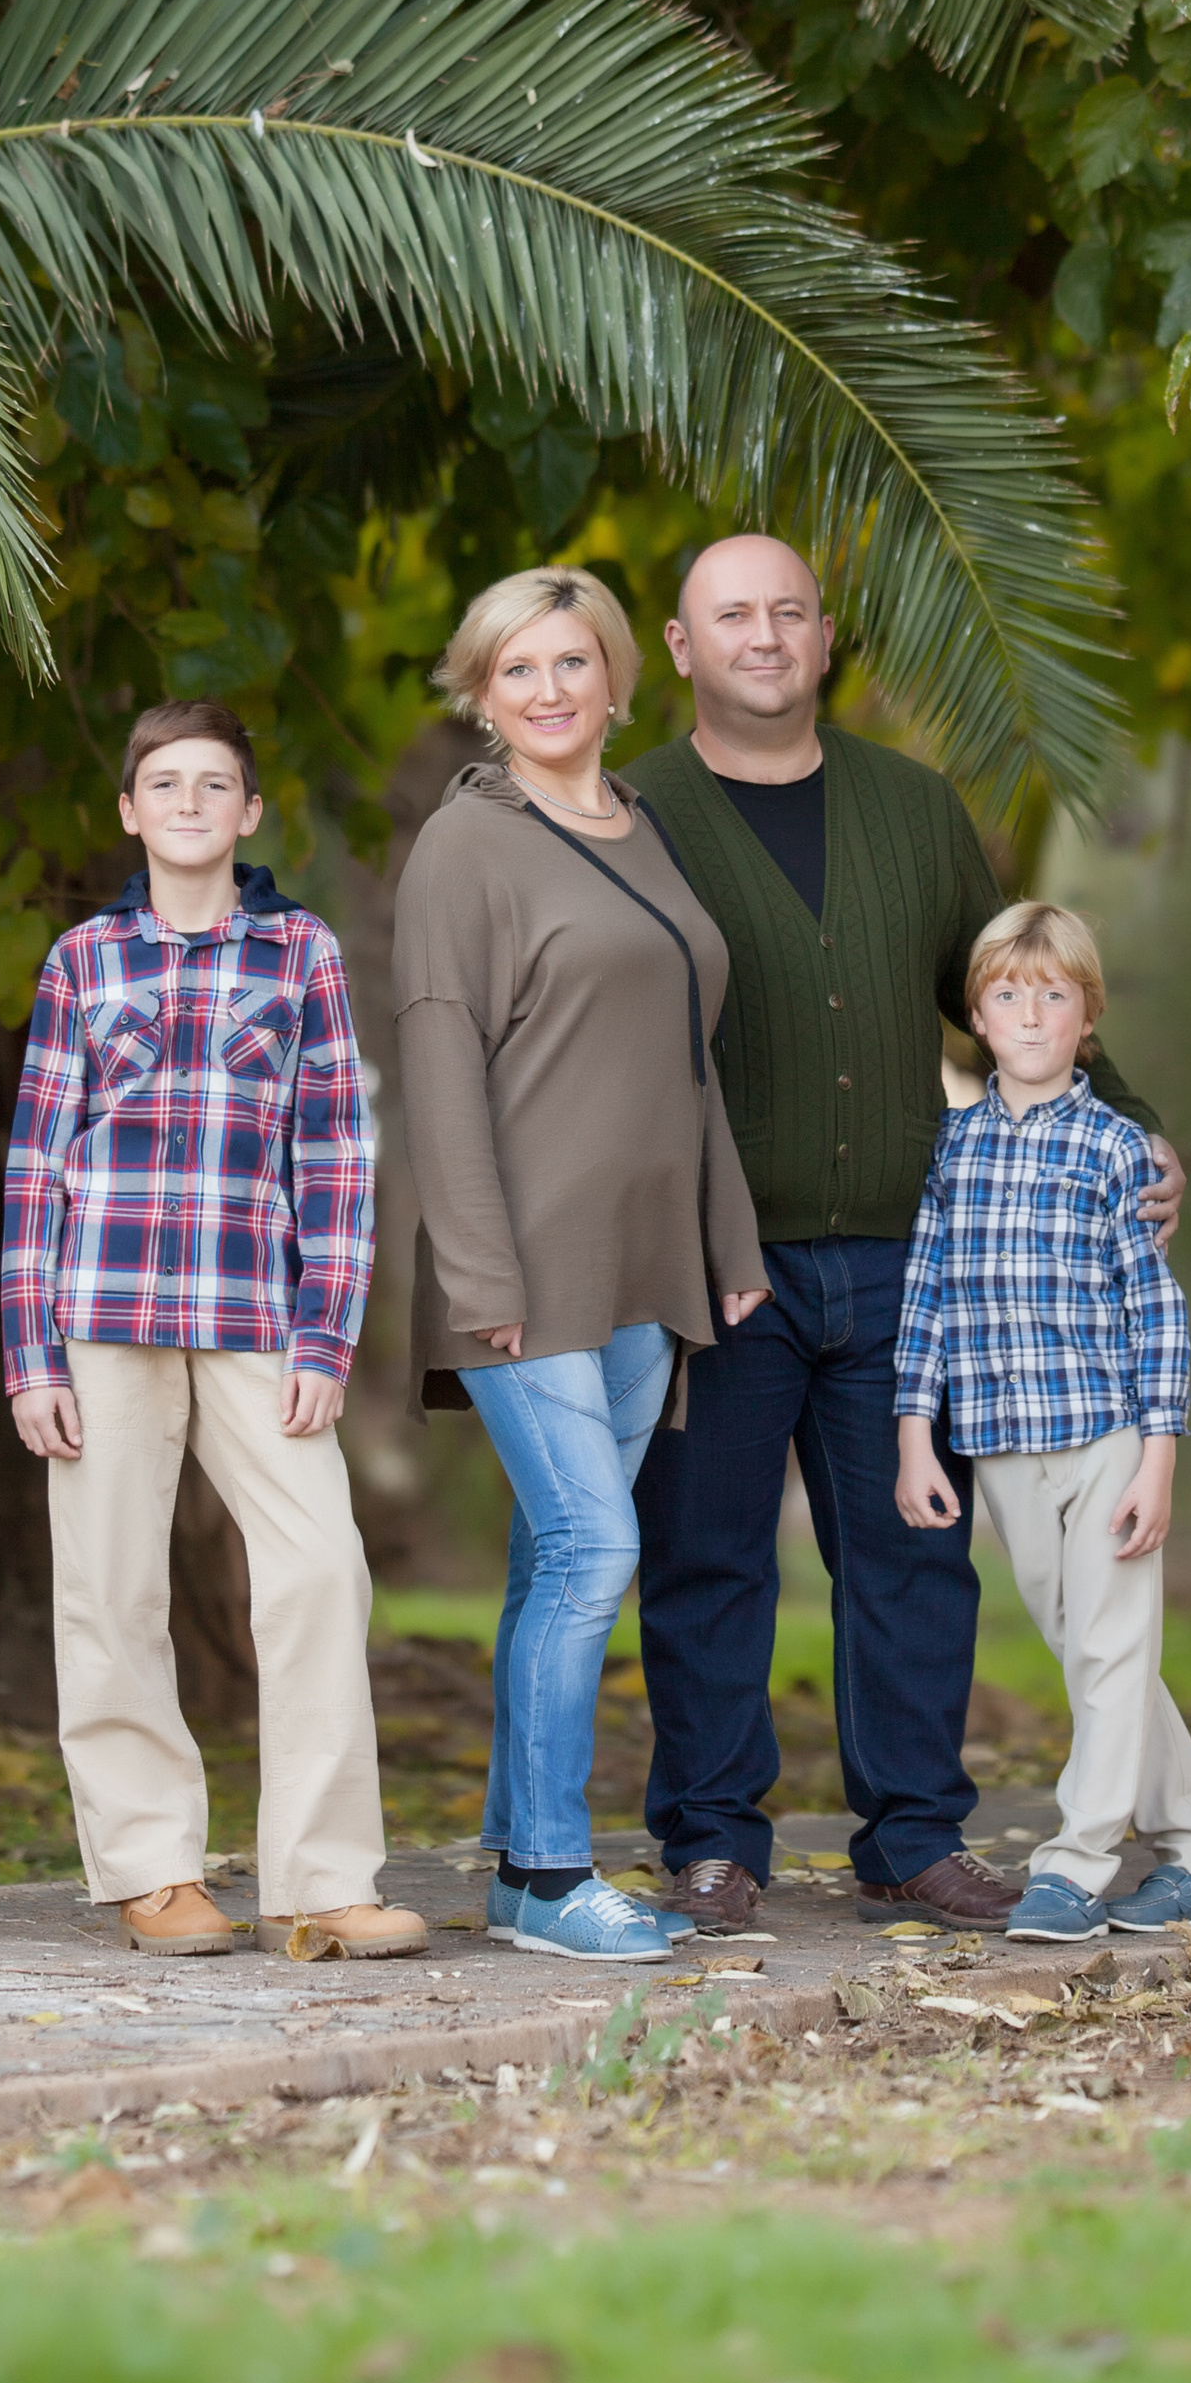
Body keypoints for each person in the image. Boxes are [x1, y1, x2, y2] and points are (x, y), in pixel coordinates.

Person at [628, 534, 1186, 1933]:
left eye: (790, 612)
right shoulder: (634, 814)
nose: (765, 636)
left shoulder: (912, 806)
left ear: (827, 639)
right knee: (706, 1556)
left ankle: (913, 1839)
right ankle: (710, 1842)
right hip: (716, 1264)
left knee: (914, 1557)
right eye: (732, 615)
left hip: (908, 1259)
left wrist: (1129, 1126)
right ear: (684, 647)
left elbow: (1012, 989)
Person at [1, 700, 425, 1961]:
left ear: (249, 813)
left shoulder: (301, 953)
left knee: (321, 1566)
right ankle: (153, 1872)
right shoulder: (83, 960)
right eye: (165, 783)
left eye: (213, 784)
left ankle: (323, 1880)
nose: (188, 803)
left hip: (255, 1314)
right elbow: (36, 1165)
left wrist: (327, 1337)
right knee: (111, 1588)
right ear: (129, 811)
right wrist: (30, 1356)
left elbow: (336, 1154)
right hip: (103, 1310)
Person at [393, 566, 772, 1964]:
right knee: (594, 1547)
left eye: (570, 662)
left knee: (547, 1560)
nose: (547, 691)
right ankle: (554, 1877)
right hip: (524, 1264)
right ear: (481, 695)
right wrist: (480, 1276)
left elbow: (686, 1062)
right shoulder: (466, 845)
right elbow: (439, 1061)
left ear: (615, 678)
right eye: (516, 669)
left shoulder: (641, 824)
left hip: (640, 1268)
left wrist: (727, 1239)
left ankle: (515, 1869)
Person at [895, 901, 1191, 1941]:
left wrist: (1157, 1460)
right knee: (1094, 1653)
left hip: (1105, 1433)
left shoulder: (1115, 1150)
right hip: (999, 1440)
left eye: (1054, 996)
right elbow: (926, 1296)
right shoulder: (951, 1150)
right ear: (976, 1016)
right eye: (1008, 995)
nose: (1031, 1016)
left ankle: (1075, 1867)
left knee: (1108, 1648)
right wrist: (914, 1435)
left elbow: (1156, 1312)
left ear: (1088, 1018)